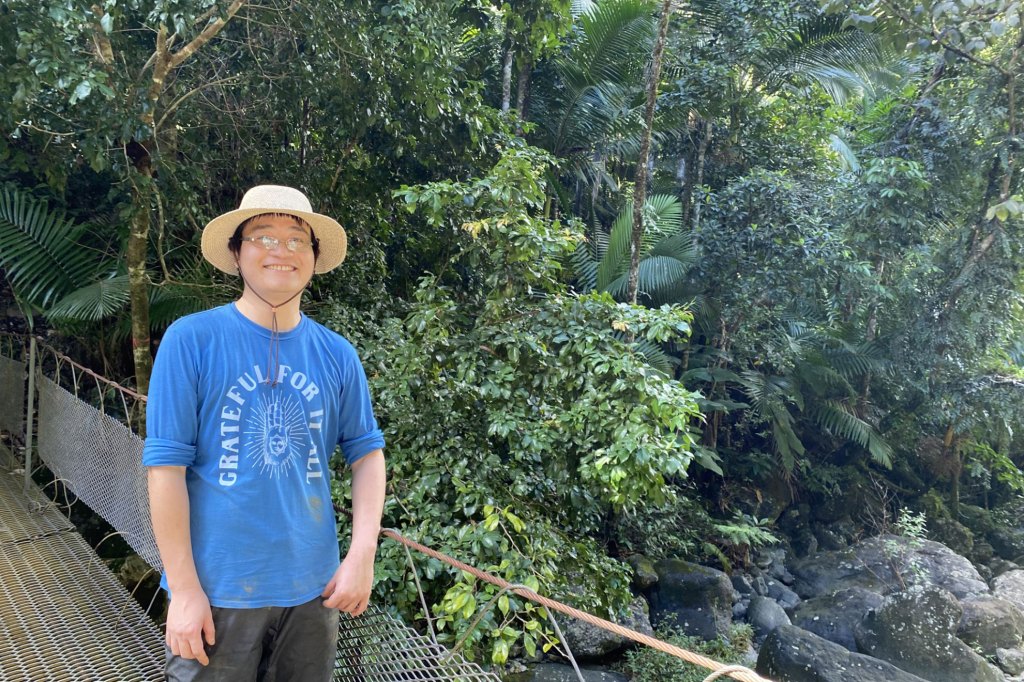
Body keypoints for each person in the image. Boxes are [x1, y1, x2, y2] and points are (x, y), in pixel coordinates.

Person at [143, 185, 386, 681]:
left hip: (313, 591)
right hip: (219, 590)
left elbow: (367, 455)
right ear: (236, 253)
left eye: (298, 240)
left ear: (315, 259)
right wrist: (186, 591)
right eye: (262, 236)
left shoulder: (338, 355)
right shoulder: (191, 340)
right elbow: (165, 469)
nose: (282, 250)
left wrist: (362, 555)